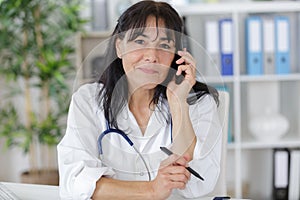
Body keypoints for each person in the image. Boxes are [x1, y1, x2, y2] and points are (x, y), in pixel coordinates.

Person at [57, 1, 222, 199]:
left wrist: (179, 106)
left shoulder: (199, 104)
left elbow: (200, 183)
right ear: (119, 47)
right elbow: (74, 182)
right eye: (140, 42)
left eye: (164, 45)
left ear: (177, 56)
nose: (152, 56)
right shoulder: (88, 101)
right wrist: (152, 190)